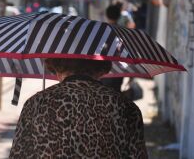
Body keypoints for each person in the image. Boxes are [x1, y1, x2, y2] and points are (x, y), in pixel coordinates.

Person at [9, 58, 148, 158]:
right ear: (101, 69)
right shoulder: (125, 106)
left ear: (56, 67)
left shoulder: (35, 104)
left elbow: (18, 154)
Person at [102, 4, 124, 92]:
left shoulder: (101, 30)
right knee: (116, 92)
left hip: (103, 67)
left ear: (106, 15)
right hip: (118, 69)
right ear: (119, 16)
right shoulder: (123, 31)